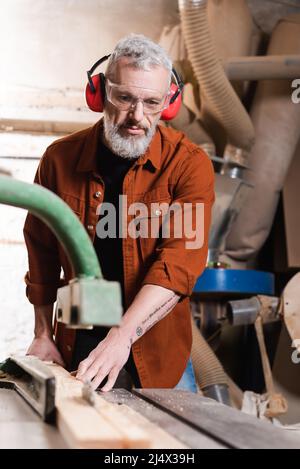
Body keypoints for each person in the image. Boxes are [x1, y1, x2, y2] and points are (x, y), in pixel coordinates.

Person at [23, 34, 214, 392]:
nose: (137, 116)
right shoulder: (59, 160)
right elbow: (42, 252)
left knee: (170, 445)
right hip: (77, 337)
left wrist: (122, 336)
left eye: (151, 102)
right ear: (99, 93)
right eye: (124, 98)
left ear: (169, 103)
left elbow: (179, 265)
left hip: (155, 350)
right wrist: (42, 332)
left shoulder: (189, 165)